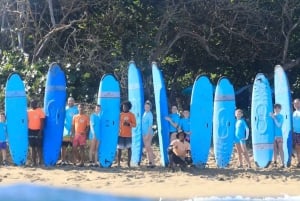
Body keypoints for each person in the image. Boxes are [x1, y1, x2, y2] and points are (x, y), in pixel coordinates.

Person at [59, 97, 78, 165]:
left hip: (74, 131)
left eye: (72, 101)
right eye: (69, 101)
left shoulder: (76, 110)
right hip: (65, 131)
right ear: (67, 102)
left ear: (74, 102)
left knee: (74, 147)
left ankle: (74, 161)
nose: (70, 102)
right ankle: (63, 160)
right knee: (64, 146)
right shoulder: (65, 109)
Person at [117, 100, 136, 167]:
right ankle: (118, 163)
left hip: (128, 135)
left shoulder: (131, 115)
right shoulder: (120, 114)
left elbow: (134, 125)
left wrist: (128, 124)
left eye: (125, 107)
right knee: (119, 149)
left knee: (129, 148)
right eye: (123, 107)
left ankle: (128, 163)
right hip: (120, 134)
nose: (124, 108)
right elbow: (117, 123)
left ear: (129, 107)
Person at [27, 99, 45, 166]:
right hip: (30, 131)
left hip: (38, 131)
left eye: (34, 103)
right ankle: (33, 162)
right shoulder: (28, 112)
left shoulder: (40, 111)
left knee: (39, 147)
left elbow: (43, 122)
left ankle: (40, 162)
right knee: (32, 147)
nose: (32, 104)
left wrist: (40, 131)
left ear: (36, 104)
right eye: (31, 103)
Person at [142, 100, 155, 168]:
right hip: (144, 133)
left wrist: (147, 134)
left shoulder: (150, 114)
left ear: (150, 107)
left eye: (148, 107)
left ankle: (153, 162)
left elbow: (150, 126)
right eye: (146, 107)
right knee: (147, 148)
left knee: (148, 147)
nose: (146, 108)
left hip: (148, 133)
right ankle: (149, 162)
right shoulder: (144, 113)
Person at [271, 104, 284, 168]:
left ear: (280, 109)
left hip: (279, 135)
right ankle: (275, 162)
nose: (277, 109)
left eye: (278, 108)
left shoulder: (281, 116)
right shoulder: (272, 115)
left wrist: (274, 118)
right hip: (273, 136)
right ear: (274, 109)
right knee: (274, 149)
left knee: (280, 149)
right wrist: (272, 116)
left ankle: (283, 163)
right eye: (275, 108)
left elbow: (279, 125)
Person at [293, 98, 300, 167]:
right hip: (296, 133)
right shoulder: (293, 113)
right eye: (295, 103)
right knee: (297, 148)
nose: (296, 105)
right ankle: (299, 162)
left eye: (297, 103)